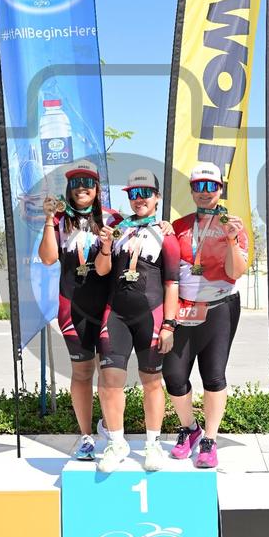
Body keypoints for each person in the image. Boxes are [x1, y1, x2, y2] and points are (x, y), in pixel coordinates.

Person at [162, 162, 248, 468]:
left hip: (220, 307)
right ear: (191, 190)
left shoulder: (232, 224)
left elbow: (235, 272)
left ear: (220, 189)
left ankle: (210, 439)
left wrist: (231, 239)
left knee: (213, 375)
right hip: (184, 309)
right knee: (173, 376)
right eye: (198, 185)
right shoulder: (179, 225)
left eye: (211, 186)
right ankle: (190, 428)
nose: (205, 191)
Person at [94, 169, 180, 473]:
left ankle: (152, 444)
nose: (139, 199)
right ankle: (117, 443)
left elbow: (172, 283)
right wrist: (106, 245)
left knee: (152, 382)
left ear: (157, 197)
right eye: (133, 194)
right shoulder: (118, 228)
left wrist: (169, 324)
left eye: (145, 193)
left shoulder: (166, 234)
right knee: (109, 382)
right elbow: (102, 271)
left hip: (151, 316)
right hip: (115, 314)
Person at [38, 160, 121, 460]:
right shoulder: (60, 220)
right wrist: (49, 219)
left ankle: (112, 431)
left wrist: (164, 226)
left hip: (108, 308)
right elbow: (48, 258)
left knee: (109, 374)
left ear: (97, 189)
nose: (81, 188)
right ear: (69, 189)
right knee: (82, 372)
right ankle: (86, 436)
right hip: (72, 307)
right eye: (75, 183)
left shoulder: (113, 219)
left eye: (87, 183)